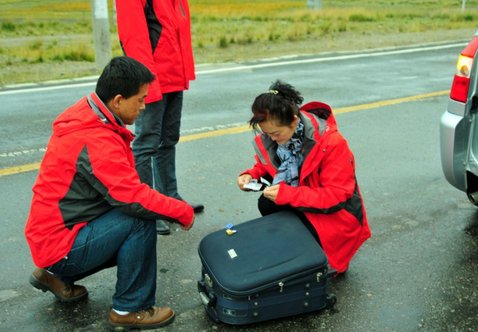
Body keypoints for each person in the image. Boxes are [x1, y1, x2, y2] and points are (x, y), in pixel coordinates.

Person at [24, 56, 195, 330]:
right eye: (139, 99)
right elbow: (131, 197)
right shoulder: (95, 138)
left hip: (53, 235)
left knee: (131, 211)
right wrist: (180, 210)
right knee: (139, 218)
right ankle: (129, 308)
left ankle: (54, 276)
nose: (143, 105)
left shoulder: (89, 114)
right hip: (59, 244)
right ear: (117, 100)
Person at [237, 80, 371, 275]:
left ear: (293, 121)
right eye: (266, 133)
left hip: (336, 215)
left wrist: (288, 195)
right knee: (267, 203)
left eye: (276, 133)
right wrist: (251, 175)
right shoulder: (277, 138)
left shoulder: (331, 143)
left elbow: (337, 196)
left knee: (279, 204)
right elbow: (269, 166)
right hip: (305, 201)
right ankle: (298, 253)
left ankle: (316, 258)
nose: (272, 138)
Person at [115, 0, 204, 236]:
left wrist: (184, 71)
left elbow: (175, 30)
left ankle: (170, 198)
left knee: (169, 139)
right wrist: (146, 83)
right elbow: (134, 37)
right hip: (153, 78)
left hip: (174, 73)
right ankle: (148, 209)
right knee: (146, 144)